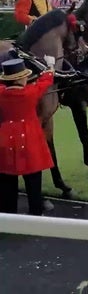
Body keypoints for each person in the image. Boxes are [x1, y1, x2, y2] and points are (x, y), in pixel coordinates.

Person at [0, 57, 56, 215]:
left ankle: (8, 215)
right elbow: (46, 80)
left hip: (5, 141)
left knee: (6, 183)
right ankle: (35, 214)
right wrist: (50, 65)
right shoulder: (30, 92)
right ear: (20, 79)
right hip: (29, 141)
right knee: (33, 182)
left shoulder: (1, 93)